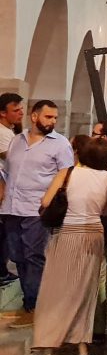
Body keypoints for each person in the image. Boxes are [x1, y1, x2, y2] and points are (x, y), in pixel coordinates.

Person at [25, 136, 107, 355]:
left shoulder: (68, 173)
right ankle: (83, 351)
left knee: (54, 293)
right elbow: (106, 209)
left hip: (67, 234)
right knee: (85, 292)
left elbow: (45, 201)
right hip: (93, 234)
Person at [0, 100, 74, 316]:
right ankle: (29, 297)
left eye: (55, 118)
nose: (52, 121)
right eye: (48, 117)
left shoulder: (59, 144)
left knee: (34, 255)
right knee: (17, 255)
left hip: (36, 209)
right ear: (34, 117)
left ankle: (35, 303)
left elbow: (65, 171)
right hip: (12, 207)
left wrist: (48, 199)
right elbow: (7, 169)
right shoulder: (17, 140)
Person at [0, 92, 24, 285]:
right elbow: (12, 160)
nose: (21, 113)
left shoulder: (10, 132)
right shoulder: (1, 132)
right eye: (15, 110)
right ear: (2, 113)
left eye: (21, 109)